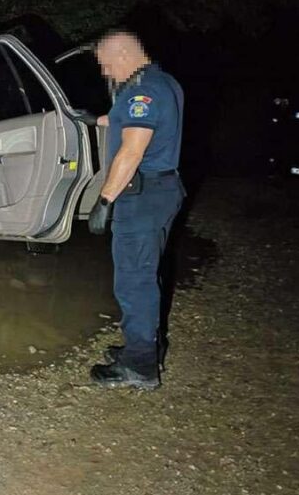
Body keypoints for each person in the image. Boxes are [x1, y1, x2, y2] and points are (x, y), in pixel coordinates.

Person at [86, 30, 185, 390]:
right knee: (147, 272)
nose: (106, 72)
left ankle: (140, 365)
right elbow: (137, 122)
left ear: (124, 53)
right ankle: (147, 347)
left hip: (141, 195)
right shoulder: (162, 82)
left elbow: (133, 150)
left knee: (134, 279)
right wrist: (99, 120)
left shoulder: (143, 90)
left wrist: (104, 201)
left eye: (107, 64)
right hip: (160, 190)